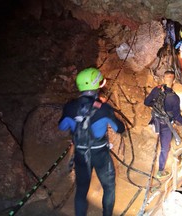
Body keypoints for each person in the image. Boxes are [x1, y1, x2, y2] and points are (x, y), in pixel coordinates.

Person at [58, 67, 125, 216]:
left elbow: (62, 127)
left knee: (81, 190)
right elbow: (119, 129)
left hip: (81, 154)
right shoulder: (104, 109)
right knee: (108, 187)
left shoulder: (69, 107)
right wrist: (108, 113)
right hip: (100, 154)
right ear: (96, 85)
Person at [144, 70, 182, 178]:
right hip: (166, 125)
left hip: (155, 121)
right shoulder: (175, 97)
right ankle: (160, 170)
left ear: (163, 79)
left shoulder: (156, 90)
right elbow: (177, 116)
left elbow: (146, 102)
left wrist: (155, 106)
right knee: (165, 148)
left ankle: (161, 167)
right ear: (174, 81)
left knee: (162, 138)